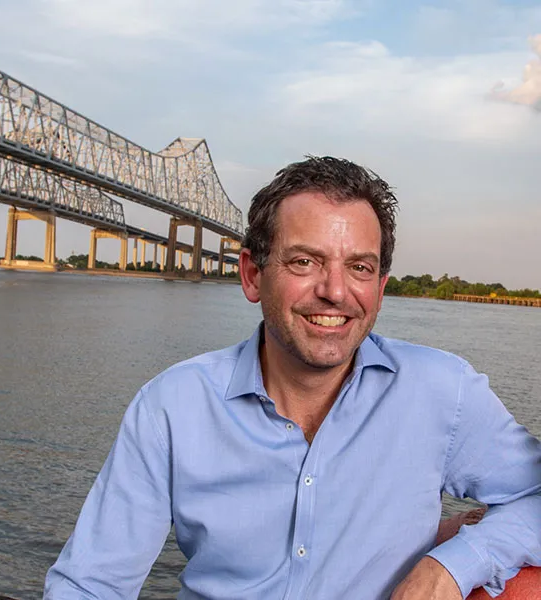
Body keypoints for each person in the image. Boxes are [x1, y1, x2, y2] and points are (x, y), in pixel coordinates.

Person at [44, 156, 541, 599]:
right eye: (305, 262)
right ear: (252, 276)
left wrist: (449, 568)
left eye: (360, 268)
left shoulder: (441, 391)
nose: (335, 292)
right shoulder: (171, 407)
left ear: (381, 288)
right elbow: (92, 582)